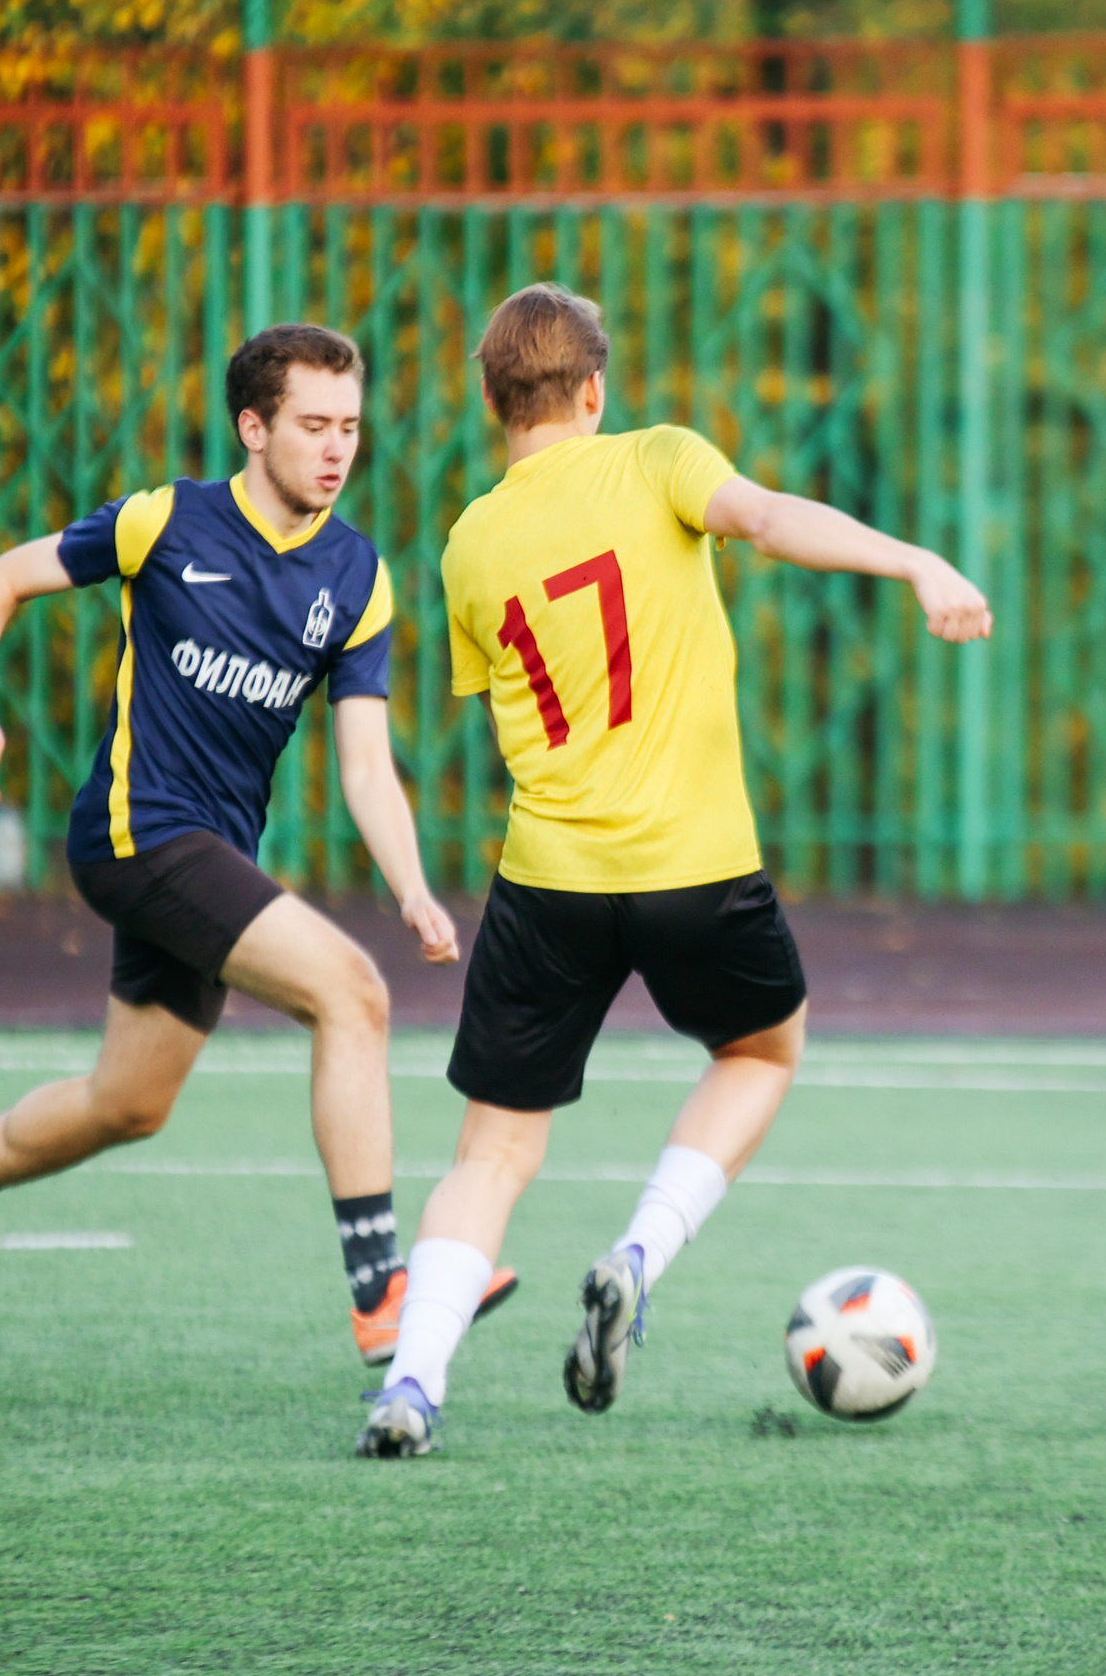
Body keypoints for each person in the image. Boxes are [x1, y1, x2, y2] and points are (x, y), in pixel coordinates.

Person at [355, 282, 993, 1458]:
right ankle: (639, 1255)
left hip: (546, 881)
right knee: (761, 1050)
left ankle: (411, 1384)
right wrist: (913, 563)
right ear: (592, 390)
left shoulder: (467, 543)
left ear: (495, 402)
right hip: (697, 867)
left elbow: (504, 696)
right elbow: (766, 519)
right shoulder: (656, 459)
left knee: (492, 1152)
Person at [0, 324, 514, 1357]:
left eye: (350, 427)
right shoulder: (165, 522)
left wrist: (411, 888)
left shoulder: (356, 577)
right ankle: (382, 1288)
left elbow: (361, 765)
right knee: (353, 993)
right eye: (311, 426)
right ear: (253, 428)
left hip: (211, 860)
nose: (337, 449)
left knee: (128, 1103)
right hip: (134, 832)